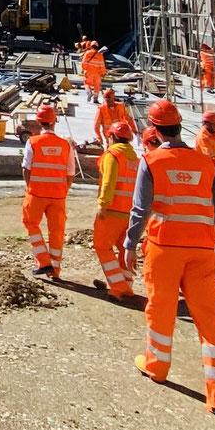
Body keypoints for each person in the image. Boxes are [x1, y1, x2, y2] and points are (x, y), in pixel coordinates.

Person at [119, 99, 215, 417]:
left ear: (154, 129)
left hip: (164, 248)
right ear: (181, 126)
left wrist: (129, 244)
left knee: (161, 308)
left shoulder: (152, 161)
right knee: (209, 320)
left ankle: (156, 366)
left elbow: (141, 210)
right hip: (201, 250)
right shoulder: (205, 163)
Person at [20, 110, 77, 279]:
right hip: (58, 196)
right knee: (57, 231)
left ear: (39, 123)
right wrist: (63, 190)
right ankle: (55, 270)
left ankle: (43, 261)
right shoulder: (65, 145)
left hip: (36, 193)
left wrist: (30, 186)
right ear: (54, 121)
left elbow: (26, 168)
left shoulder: (33, 142)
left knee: (30, 223)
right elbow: (71, 172)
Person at [91, 119, 141, 301]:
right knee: (123, 247)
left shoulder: (112, 155)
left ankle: (118, 287)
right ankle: (127, 285)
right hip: (130, 213)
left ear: (111, 137)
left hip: (112, 210)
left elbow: (108, 182)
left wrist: (102, 204)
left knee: (102, 246)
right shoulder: (135, 159)